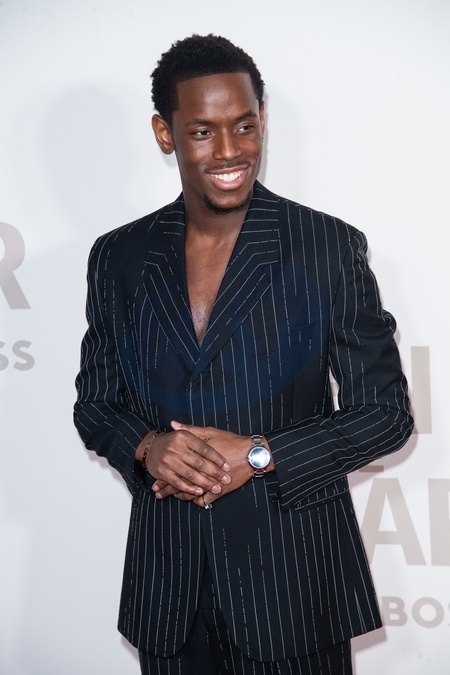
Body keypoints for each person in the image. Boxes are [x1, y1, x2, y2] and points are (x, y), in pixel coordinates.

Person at [74, 34, 413, 675]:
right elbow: (94, 402)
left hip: (295, 592)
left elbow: (385, 414)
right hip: (168, 594)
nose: (229, 151)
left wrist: (260, 454)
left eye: (245, 126)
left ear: (262, 122)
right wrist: (146, 447)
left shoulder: (326, 246)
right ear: (165, 134)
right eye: (203, 131)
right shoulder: (118, 255)